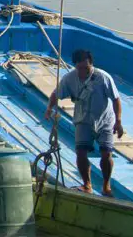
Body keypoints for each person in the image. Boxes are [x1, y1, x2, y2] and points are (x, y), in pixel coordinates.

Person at [44, 48, 124, 196]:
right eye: (79, 68)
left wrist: (118, 121)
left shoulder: (103, 77)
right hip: (83, 119)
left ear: (91, 64)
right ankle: (87, 184)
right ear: (75, 66)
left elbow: (116, 99)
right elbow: (56, 94)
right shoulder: (70, 78)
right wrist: (49, 108)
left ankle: (106, 185)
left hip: (104, 119)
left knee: (106, 154)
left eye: (86, 68)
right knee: (81, 152)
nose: (83, 72)